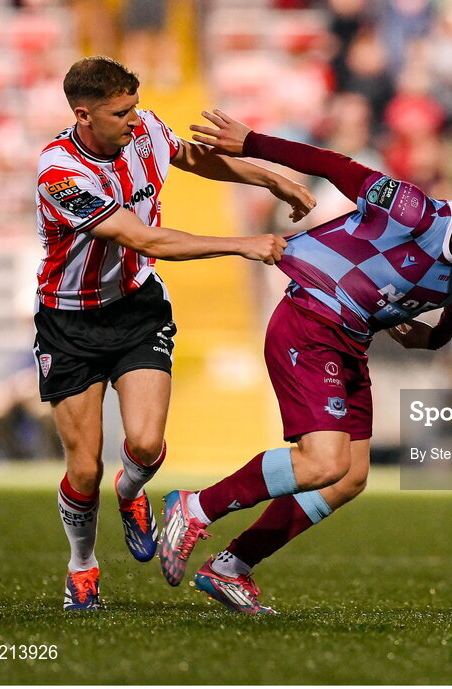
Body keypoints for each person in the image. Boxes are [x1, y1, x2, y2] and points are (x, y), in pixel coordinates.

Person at [157, 109, 452, 613]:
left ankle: (231, 567)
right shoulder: (416, 212)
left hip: (349, 341)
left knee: (349, 478)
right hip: (311, 317)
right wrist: (251, 141)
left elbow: (444, 330)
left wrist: (421, 337)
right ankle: (195, 507)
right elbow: (333, 164)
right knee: (324, 462)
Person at [35, 57, 315, 610]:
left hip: (138, 308)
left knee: (144, 443)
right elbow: (148, 240)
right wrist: (242, 242)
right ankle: (82, 566)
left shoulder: (143, 131)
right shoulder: (60, 173)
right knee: (84, 466)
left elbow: (195, 159)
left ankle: (131, 493)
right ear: (83, 115)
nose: (135, 120)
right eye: (121, 112)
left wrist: (274, 178)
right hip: (69, 321)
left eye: (136, 106)